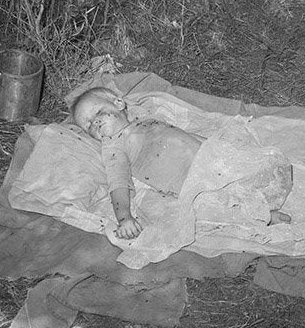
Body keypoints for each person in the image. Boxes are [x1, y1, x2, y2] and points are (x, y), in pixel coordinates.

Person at [71, 87, 291, 239]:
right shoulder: (114, 149)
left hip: (210, 157)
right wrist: (124, 217)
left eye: (98, 112)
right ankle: (262, 217)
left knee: (256, 167)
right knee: (219, 204)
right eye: (88, 125)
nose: (95, 123)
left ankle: (259, 196)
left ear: (119, 103)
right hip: (188, 180)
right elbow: (118, 183)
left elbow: (182, 134)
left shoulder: (143, 120)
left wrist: (219, 146)